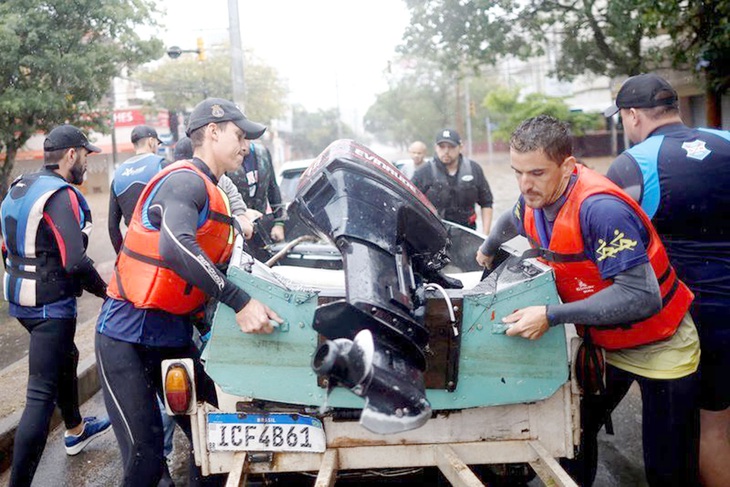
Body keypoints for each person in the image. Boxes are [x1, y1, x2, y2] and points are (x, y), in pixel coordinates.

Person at [475, 115, 700, 486]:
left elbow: (642, 297)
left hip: (661, 343)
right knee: (571, 439)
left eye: (536, 173)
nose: (525, 185)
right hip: (607, 343)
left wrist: (551, 315)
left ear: (566, 166)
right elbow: (512, 218)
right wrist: (486, 250)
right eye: (517, 172)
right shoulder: (534, 197)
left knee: (667, 465)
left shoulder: (600, 209)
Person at [95, 98, 282, 486]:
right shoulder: (184, 180)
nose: (246, 145)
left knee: (216, 438)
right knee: (145, 459)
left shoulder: (214, 191)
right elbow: (175, 247)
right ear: (213, 132)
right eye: (239, 135)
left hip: (171, 335)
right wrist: (240, 303)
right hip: (124, 336)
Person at [604, 73, 730, 487]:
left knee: (674, 431)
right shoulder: (725, 140)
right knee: (717, 426)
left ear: (634, 115)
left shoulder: (633, 163)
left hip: (681, 317)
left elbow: (605, 238)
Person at [1, 125, 111, 487]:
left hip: (20, 301)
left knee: (68, 356)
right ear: (70, 155)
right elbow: (75, 261)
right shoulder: (59, 195)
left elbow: (7, 247)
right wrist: (107, 291)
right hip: (50, 308)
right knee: (39, 396)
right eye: (84, 155)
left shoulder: (20, 186)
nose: (85, 162)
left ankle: (76, 428)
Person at [412, 128, 493, 233]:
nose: (446, 151)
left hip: (467, 232)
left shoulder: (474, 169)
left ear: (460, 147)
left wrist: (485, 236)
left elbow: (486, 203)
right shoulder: (423, 172)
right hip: (433, 233)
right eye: (442, 147)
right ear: (436, 148)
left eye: (451, 147)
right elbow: (410, 203)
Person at [108, 125, 166, 253]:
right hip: (162, 247)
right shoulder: (162, 165)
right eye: (157, 143)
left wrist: (122, 255)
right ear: (151, 142)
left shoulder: (118, 175)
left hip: (135, 248)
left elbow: (112, 227)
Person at [226, 141, 286, 242]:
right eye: (238, 139)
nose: (243, 147)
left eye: (245, 138)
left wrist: (278, 223)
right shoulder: (224, 159)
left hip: (260, 226)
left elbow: (273, 188)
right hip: (235, 229)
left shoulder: (262, 153)